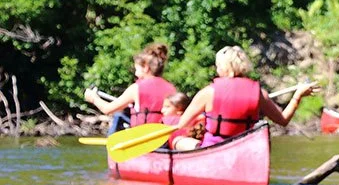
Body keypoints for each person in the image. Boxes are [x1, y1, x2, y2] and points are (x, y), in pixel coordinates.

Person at [174, 46, 317, 149]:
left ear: (223, 68)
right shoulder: (259, 93)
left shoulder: (208, 92)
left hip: (214, 148)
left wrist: (203, 120)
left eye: (218, 66)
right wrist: (297, 96)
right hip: (244, 149)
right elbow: (283, 120)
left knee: (179, 141)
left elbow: (182, 124)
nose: (217, 70)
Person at [83, 43, 177, 131]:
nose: (135, 74)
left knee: (118, 116)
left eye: (137, 69)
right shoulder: (172, 88)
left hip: (143, 137)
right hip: (164, 137)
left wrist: (93, 98)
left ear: (146, 68)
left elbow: (107, 109)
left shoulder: (136, 88)